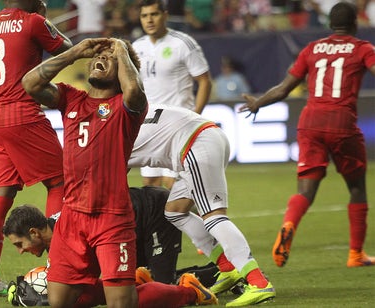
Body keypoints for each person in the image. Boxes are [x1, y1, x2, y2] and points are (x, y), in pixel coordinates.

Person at [240, 2, 375, 268]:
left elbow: (283, 89)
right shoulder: (363, 48)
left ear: (329, 25)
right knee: (357, 188)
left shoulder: (312, 49)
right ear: (355, 24)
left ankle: (289, 224)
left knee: (306, 189)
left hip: (310, 121)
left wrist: (257, 103)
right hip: (341, 122)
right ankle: (356, 254)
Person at [21, 38, 147, 308]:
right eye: (98, 56)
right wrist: (75, 52)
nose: (101, 59)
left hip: (112, 219)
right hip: (72, 219)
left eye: (109, 58)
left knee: (121, 304)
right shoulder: (71, 98)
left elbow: (134, 89)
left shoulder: (127, 109)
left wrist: (121, 50)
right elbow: (30, 84)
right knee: (59, 302)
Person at [0, 0, 72, 299]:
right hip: (23, 114)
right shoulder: (32, 21)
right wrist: (45, 19)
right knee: (59, 182)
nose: (42, 1)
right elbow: (67, 49)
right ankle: (58, 267)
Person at [128, 104, 276, 307]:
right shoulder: (133, 112)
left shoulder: (114, 137)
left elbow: (113, 182)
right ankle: (227, 268)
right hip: (206, 135)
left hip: (195, 144)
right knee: (175, 212)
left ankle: (258, 282)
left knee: (214, 216)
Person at [2, 202, 218, 307]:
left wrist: (46, 296)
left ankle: (192, 290)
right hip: (125, 224)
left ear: (34, 232)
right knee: (93, 294)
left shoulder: (65, 235)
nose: (20, 251)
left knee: (131, 300)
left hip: (149, 215)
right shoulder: (57, 235)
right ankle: (137, 280)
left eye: (19, 244)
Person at [132, 0, 212, 189]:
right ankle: (200, 210)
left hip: (177, 126)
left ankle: (203, 212)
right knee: (150, 185)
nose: (149, 20)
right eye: (144, 16)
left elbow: (204, 81)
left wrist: (195, 115)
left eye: (154, 14)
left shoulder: (183, 43)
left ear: (165, 16)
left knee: (171, 186)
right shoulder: (135, 47)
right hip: (148, 126)